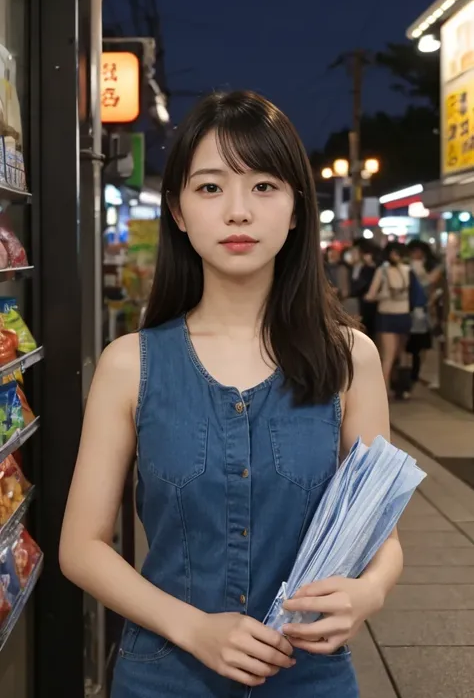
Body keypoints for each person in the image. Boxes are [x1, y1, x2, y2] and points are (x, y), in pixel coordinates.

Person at [60, 90, 402, 698]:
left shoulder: (351, 359)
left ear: (297, 209)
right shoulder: (130, 364)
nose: (238, 212)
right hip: (163, 675)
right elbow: (82, 548)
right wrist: (194, 629)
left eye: (264, 186)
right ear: (179, 211)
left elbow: (383, 536)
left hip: (309, 676)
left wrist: (366, 593)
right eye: (211, 188)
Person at [365, 241, 414, 396]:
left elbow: (370, 295)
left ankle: (384, 393)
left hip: (386, 316)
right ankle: (402, 388)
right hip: (404, 315)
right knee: (402, 354)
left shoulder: (382, 270)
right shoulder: (408, 270)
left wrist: (380, 296)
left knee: (388, 356)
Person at [406, 240, 443, 386]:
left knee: (427, 343)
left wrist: (419, 271)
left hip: (430, 310)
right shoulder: (410, 266)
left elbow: (430, 283)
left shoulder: (433, 267)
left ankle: (423, 374)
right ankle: (416, 373)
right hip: (416, 310)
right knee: (416, 344)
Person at [349, 241, 378, 341]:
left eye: (355, 252)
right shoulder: (353, 267)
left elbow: (359, 287)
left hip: (368, 305)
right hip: (359, 304)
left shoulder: (369, 268)